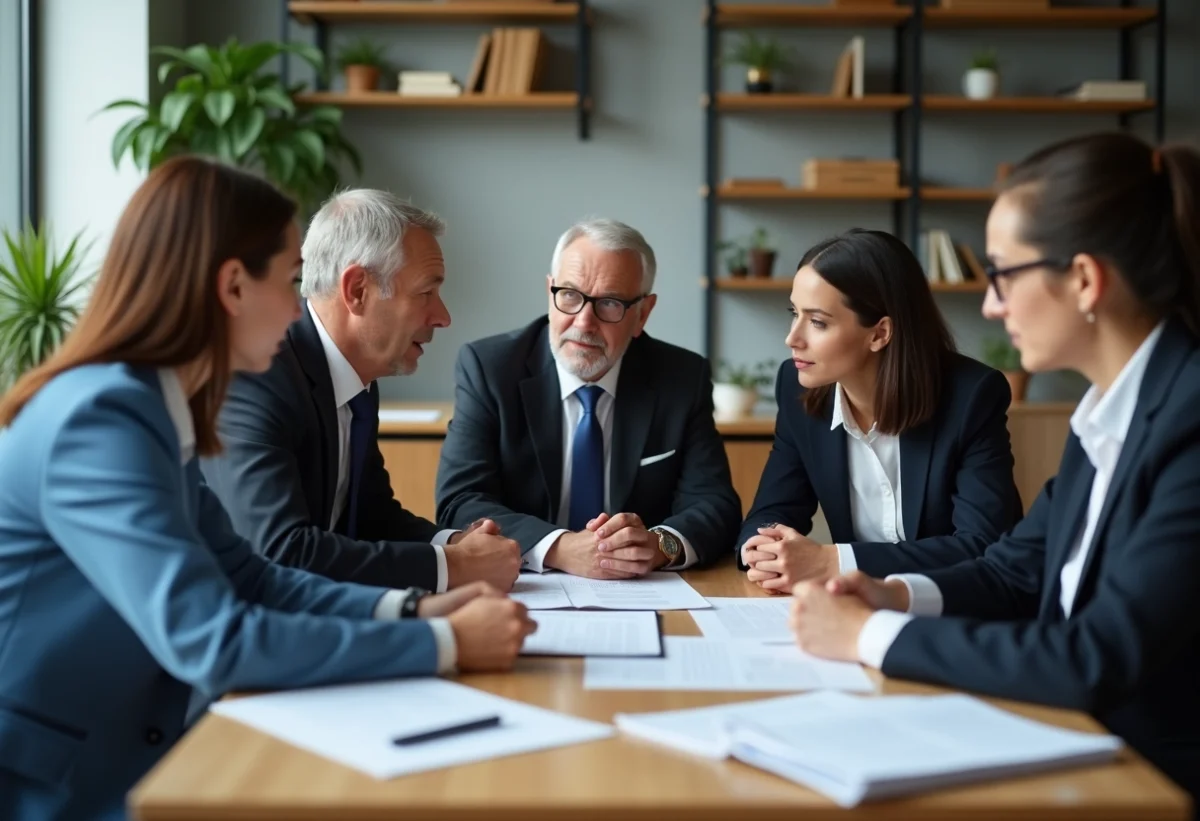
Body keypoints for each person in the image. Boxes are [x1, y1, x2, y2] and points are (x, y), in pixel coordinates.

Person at [0, 158, 535, 821]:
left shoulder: (151, 404)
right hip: (51, 785)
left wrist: (417, 613)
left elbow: (252, 576)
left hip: (134, 755)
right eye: (287, 280)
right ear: (232, 286)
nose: (300, 302)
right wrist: (443, 645)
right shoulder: (101, 417)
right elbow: (213, 639)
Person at [788, 133, 1200, 805]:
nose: (989, 304)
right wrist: (895, 595)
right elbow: (1013, 569)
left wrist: (870, 634)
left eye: (1004, 274)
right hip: (1073, 745)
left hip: (1150, 780)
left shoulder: (1187, 419)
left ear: (1085, 280)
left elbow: (1093, 655)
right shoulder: (1108, 411)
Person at [200, 189, 521, 595]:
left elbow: (369, 516)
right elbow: (280, 551)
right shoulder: (255, 377)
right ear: (357, 290)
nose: (443, 317)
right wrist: (450, 566)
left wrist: (455, 543)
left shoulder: (356, 380)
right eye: (426, 292)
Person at [436, 219, 741, 578]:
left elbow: (714, 503)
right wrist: (560, 548)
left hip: (640, 590)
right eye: (569, 295)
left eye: (609, 303)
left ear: (642, 313)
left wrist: (660, 544)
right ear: (550, 291)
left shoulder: (681, 378)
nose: (583, 322)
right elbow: (461, 501)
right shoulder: (490, 369)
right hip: (527, 585)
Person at [738, 229, 1023, 593]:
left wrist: (833, 561)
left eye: (818, 321)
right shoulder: (796, 386)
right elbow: (770, 512)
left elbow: (983, 545)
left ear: (879, 333)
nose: (792, 338)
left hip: (955, 609)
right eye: (795, 313)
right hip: (855, 606)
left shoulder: (971, 397)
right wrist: (763, 551)